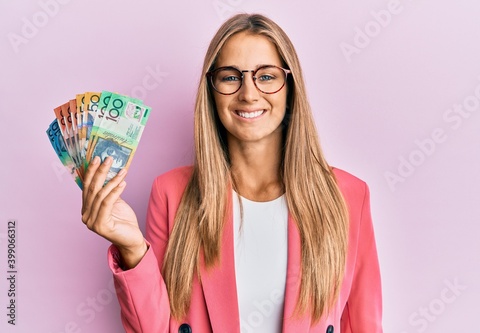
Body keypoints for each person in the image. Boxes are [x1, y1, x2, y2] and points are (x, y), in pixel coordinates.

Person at [81, 13, 383, 333]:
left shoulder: (349, 196)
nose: (248, 94)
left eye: (266, 76)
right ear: (211, 91)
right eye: (230, 77)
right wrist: (132, 250)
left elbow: (364, 325)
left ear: (290, 87)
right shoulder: (171, 193)